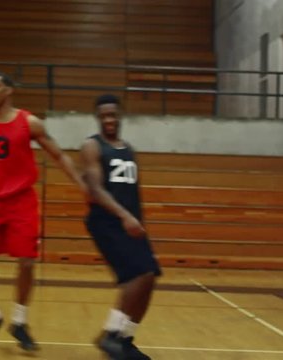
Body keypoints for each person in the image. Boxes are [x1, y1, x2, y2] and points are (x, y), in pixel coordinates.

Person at [0, 73, 88, 351]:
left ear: (9, 90)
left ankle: (19, 321)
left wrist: (81, 182)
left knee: (28, 261)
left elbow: (58, 154)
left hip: (19, 200)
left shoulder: (29, 123)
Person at [79, 94, 161, 360]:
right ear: (98, 118)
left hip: (130, 221)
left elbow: (132, 191)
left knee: (149, 277)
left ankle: (125, 339)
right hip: (107, 221)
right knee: (136, 276)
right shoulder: (93, 146)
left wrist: (136, 219)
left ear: (120, 115)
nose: (109, 119)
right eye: (104, 116)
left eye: (113, 114)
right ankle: (111, 335)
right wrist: (125, 216)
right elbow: (95, 189)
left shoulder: (128, 149)